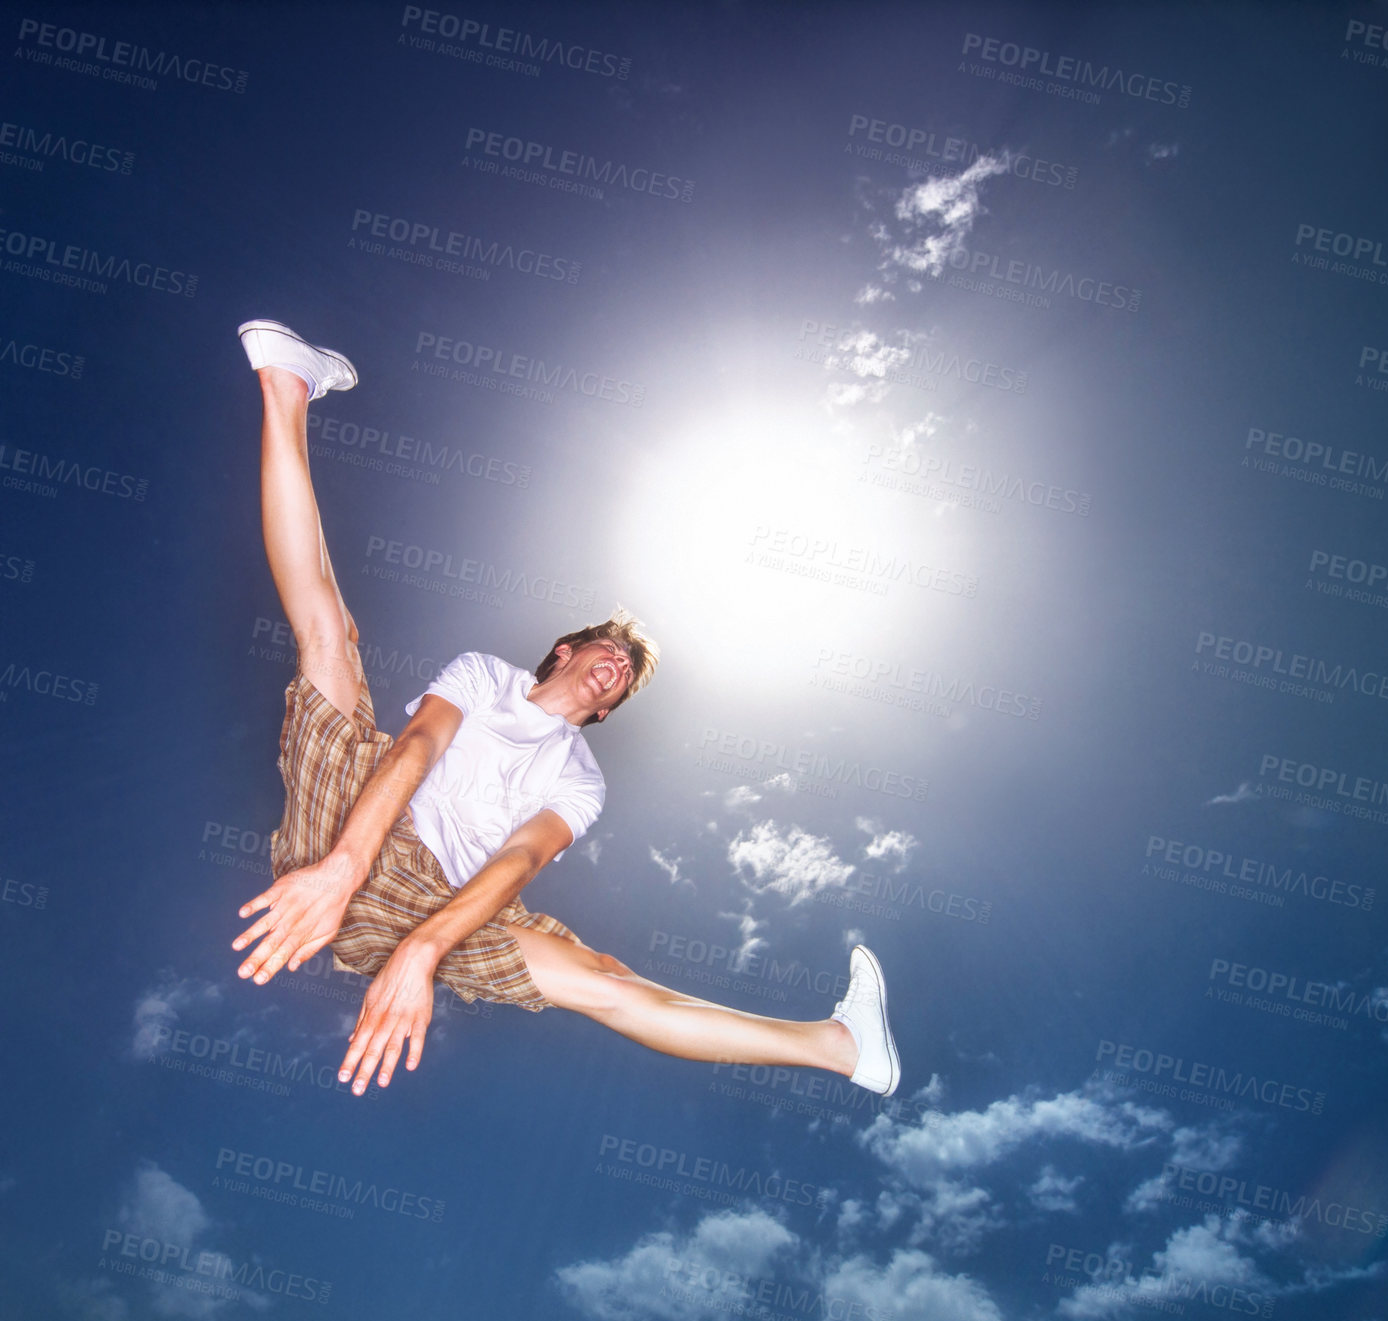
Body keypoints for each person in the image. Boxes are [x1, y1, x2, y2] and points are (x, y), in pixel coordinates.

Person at [231, 320, 901, 1100]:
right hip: (353, 821)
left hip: (435, 906)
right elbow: (414, 746)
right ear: (562, 652)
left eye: (624, 676)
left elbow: (515, 864)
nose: (613, 667)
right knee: (330, 639)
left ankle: (839, 1048)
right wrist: (343, 866)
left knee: (606, 979)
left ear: (609, 706)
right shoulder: (485, 676)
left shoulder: (580, 782)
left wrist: (420, 952)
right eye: (606, 652)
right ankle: (286, 384)